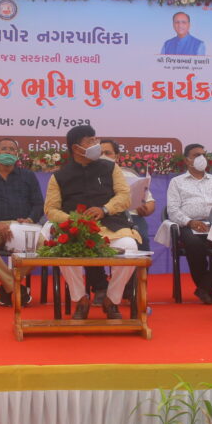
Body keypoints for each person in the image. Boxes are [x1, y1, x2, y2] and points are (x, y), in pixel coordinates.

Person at [45, 125, 139, 319]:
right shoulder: (59, 176)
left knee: (130, 248)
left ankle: (112, 299)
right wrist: (75, 220)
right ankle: (81, 299)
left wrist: (104, 209)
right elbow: (50, 210)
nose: (96, 144)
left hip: (110, 226)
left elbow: (125, 196)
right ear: (76, 148)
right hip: (77, 230)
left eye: (96, 139)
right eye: (90, 141)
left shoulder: (110, 167)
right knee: (63, 252)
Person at [0, 138, 45, 306]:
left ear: (17, 154)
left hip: (22, 225)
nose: (8, 152)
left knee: (44, 245)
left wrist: (30, 219)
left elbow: (38, 204)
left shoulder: (28, 176)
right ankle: (14, 287)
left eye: (12, 149)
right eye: (4, 148)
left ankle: (7, 287)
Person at [166, 143, 212, 305]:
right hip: (189, 225)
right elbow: (172, 210)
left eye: (203, 154)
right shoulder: (177, 182)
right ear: (187, 160)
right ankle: (208, 289)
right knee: (194, 244)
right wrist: (190, 222)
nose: (201, 158)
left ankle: (205, 287)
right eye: (196, 155)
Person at [100, 139, 155, 252]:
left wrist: (144, 208)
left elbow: (150, 203)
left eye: (107, 153)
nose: (103, 156)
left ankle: (140, 264)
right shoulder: (91, 176)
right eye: (100, 153)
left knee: (141, 238)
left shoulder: (128, 175)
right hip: (102, 216)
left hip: (131, 216)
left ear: (117, 156)